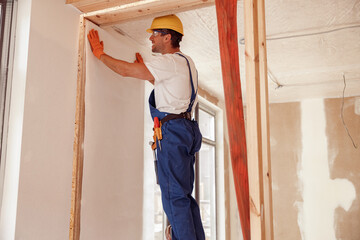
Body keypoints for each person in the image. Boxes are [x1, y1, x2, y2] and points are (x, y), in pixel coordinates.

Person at [87, 14, 205, 240]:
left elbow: (124, 71)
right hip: (186, 130)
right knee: (184, 196)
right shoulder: (186, 62)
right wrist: (145, 69)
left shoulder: (168, 62)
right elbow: (169, 88)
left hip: (173, 132)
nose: (150, 38)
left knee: (174, 197)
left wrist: (100, 54)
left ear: (168, 37)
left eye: (155, 34)